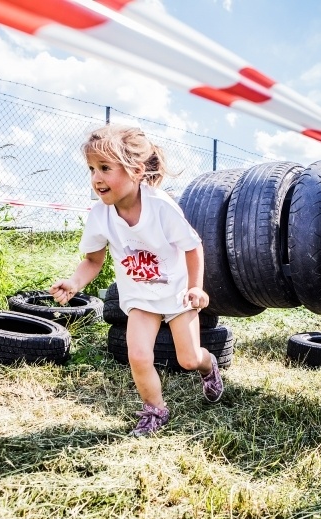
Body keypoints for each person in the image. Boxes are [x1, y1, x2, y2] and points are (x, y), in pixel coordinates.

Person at [49, 124, 223, 437]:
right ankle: (155, 410)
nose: (96, 178)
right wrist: (75, 283)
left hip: (178, 294)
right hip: (141, 297)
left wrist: (196, 287)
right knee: (139, 356)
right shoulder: (100, 216)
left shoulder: (160, 206)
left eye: (105, 168)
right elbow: (93, 260)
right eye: (91, 169)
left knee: (188, 359)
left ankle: (209, 366)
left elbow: (192, 246)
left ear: (136, 170)